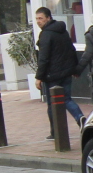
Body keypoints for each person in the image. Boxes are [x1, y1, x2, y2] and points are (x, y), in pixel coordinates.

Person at [33, 7, 84, 137]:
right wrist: (74, 69)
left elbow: (43, 58)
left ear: (48, 18)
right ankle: (79, 118)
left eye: (41, 18)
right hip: (66, 72)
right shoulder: (62, 31)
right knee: (67, 99)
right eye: (37, 19)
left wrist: (39, 77)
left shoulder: (46, 34)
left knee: (53, 103)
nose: (38, 21)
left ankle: (57, 131)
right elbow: (71, 49)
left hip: (53, 75)